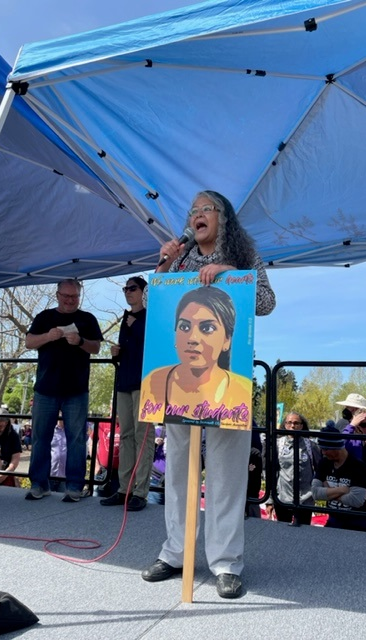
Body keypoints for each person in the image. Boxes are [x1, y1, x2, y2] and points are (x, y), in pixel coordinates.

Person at [141, 190, 276, 599]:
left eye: (206, 209)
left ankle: (226, 563)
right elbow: (151, 301)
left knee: (227, 477)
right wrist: (163, 262)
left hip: (226, 390)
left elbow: (267, 302)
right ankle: (175, 553)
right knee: (179, 472)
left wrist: (231, 273)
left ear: (223, 218)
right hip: (179, 392)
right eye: (193, 210)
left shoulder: (243, 253)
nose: (197, 215)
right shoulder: (179, 258)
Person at [25, 278, 103, 502]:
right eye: (66, 296)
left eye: (74, 297)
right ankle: (39, 484)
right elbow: (29, 342)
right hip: (45, 389)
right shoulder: (44, 317)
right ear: (57, 295)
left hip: (76, 390)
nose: (70, 300)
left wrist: (79, 341)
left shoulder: (87, 319)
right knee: (40, 438)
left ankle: (75, 487)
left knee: (76, 439)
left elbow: (96, 347)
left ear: (79, 297)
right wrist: (47, 337)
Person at [140, 286, 252, 430]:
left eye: (207, 328)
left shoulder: (242, 390)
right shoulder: (154, 382)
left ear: (227, 340)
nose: (193, 339)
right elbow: (149, 299)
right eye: (185, 327)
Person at [100, 276, 154, 512]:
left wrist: (136, 325)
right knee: (126, 436)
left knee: (144, 436)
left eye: (132, 288)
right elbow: (129, 351)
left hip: (145, 382)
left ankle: (141, 492)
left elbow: (155, 345)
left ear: (144, 291)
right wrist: (116, 354)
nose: (127, 292)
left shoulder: (151, 316)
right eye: (125, 288)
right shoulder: (126, 318)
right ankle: (124, 489)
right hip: (125, 381)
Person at [265, 412, 321, 525]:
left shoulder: (311, 445)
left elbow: (320, 470)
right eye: (289, 422)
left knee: (303, 533)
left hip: (305, 500)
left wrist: (317, 491)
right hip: (283, 499)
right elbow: (272, 473)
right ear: (285, 424)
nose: (292, 426)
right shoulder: (278, 445)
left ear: (301, 425)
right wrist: (270, 500)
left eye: (296, 423)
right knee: (283, 532)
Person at [312, 425, 366, 531]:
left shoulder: (358, 466)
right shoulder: (324, 463)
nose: (323, 453)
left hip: (357, 523)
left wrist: (328, 491)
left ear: (337, 447)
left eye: (326, 449)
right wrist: (343, 490)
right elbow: (316, 493)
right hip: (333, 520)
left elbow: (356, 500)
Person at [50, 416, 67, 492]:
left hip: (65, 476)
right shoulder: (50, 430)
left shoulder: (71, 432)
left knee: (62, 502)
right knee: (46, 501)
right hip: (50, 474)